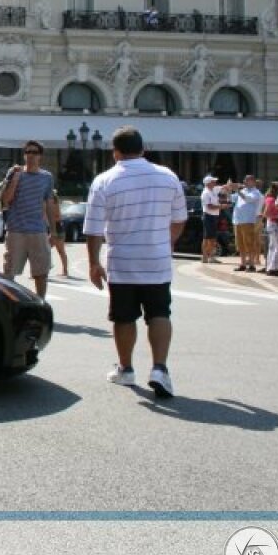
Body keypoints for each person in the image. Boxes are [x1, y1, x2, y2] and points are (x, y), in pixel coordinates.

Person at [83, 126, 187, 399]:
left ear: (115, 152)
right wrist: (167, 242)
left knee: (123, 317)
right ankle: (160, 369)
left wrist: (93, 263)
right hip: (157, 259)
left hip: (123, 261)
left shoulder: (105, 180)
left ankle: (126, 368)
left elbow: (93, 229)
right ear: (143, 149)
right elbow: (179, 219)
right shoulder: (168, 177)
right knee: (160, 313)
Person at [0, 139, 58, 298]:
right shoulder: (15, 173)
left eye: (34, 152)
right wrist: (15, 179)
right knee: (9, 272)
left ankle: (41, 303)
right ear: (24, 155)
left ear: (40, 156)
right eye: (28, 152)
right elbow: (6, 200)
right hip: (15, 230)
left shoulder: (47, 177)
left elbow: (49, 204)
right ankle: (8, 305)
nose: (30, 156)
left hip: (38, 230)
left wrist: (53, 231)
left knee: (41, 273)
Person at [231, 175, 264, 272]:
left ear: (253, 182)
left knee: (249, 243)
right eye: (244, 180)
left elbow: (248, 199)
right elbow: (231, 199)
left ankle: (252, 265)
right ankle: (243, 264)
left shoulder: (256, 192)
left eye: (247, 180)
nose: (244, 182)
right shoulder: (243, 190)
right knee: (240, 244)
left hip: (248, 220)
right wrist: (228, 189)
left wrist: (237, 190)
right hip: (238, 220)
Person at [199, 176, 223, 264]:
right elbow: (209, 206)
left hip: (213, 216)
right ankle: (207, 257)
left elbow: (224, 187)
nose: (215, 183)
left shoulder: (213, 190)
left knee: (211, 237)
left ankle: (208, 257)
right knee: (208, 238)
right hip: (209, 216)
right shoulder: (206, 193)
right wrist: (221, 206)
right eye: (213, 181)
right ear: (208, 183)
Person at [263, 182, 278, 277]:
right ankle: (274, 268)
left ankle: (269, 267)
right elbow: (266, 213)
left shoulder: (268, 198)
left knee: (272, 246)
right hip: (274, 223)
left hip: (271, 223)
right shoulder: (272, 200)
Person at [50, 189, 70, 276]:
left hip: (55, 228)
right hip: (59, 228)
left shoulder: (53, 204)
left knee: (45, 250)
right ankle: (65, 271)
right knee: (61, 251)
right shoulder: (55, 203)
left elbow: (57, 217)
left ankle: (46, 269)